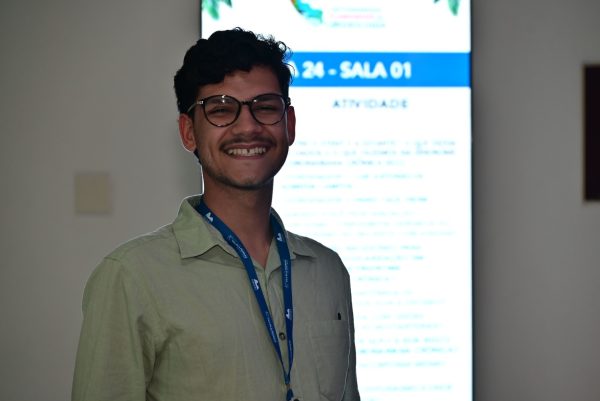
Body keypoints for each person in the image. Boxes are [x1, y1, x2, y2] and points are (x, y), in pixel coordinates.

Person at [71, 27, 360, 401]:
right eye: (222, 109)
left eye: (265, 107)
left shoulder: (328, 271)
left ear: (289, 124)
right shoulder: (131, 277)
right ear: (188, 132)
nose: (248, 126)